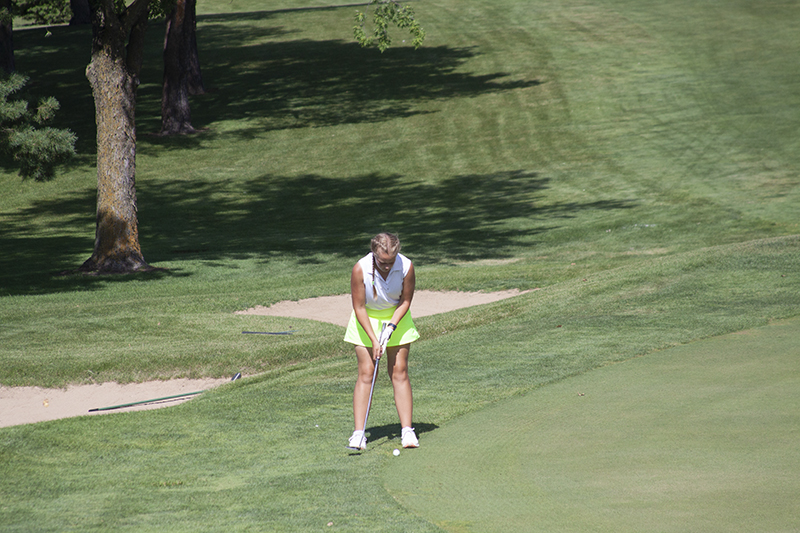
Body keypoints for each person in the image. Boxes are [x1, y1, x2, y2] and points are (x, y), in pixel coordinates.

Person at [344, 232, 420, 450]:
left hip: (397, 318)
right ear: (373, 254)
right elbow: (359, 307)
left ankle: (407, 431)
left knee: (399, 371)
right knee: (367, 372)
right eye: (381, 262)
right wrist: (373, 338)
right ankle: (358, 434)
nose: (386, 267)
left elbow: (405, 301)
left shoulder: (406, 267)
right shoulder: (360, 269)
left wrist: (391, 327)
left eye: (390, 262)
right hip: (366, 320)